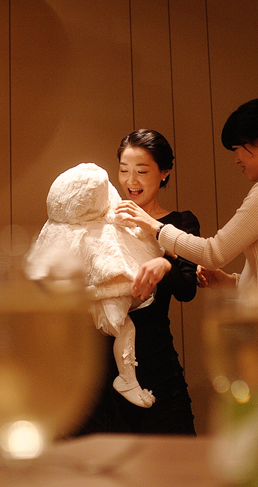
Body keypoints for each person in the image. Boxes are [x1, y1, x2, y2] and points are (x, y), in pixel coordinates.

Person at [116, 98, 258, 323]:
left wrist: (155, 227)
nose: (236, 159)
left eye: (237, 149)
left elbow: (213, 253)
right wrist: (230, 282)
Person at [78, 129, 200, 435]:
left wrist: (164, 261)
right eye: (124, 170)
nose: (131, 181)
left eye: (142, 171)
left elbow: (187, 288)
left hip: (154, 361)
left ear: (164, 172)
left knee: (172, 455)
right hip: (99, 368)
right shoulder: (103, 221)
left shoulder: (179, 223)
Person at [25, 162, 159, 408]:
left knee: (65, 335)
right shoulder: (100, 226)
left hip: (70, 299)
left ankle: (55, 380)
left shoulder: (56, 229)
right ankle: (128, 379)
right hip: (98, 295)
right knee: (124, 328)